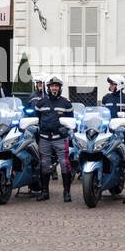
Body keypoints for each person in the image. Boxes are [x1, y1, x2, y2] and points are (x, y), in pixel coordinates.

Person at [32, 74, 74, 202]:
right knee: (45, 165)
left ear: (60, 88)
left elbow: (72, 121)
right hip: (44, 138)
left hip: (60, 138)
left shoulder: (66, 103)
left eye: (56, 86)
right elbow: (36, 119)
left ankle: (67, 192)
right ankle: (45, 192)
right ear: (48, 88)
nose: (54, 88)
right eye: (52, 86)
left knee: (64, 164)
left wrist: (65, 129)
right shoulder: (40, 103)